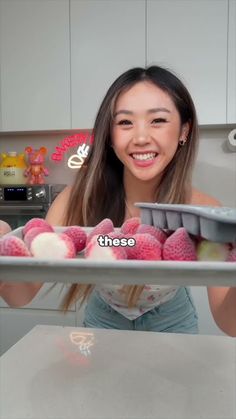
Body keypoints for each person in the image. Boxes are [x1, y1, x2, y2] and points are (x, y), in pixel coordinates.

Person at [0, 66, 235, 336]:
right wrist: (6, 256)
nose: (141, 137)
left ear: (184, 130)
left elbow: (229, 324)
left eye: (158, 120)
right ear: (110, 135)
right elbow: (22, 295)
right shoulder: (77, 201)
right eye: (125, 122)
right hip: (103, 321)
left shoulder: (204, 213)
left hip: (173, 322)